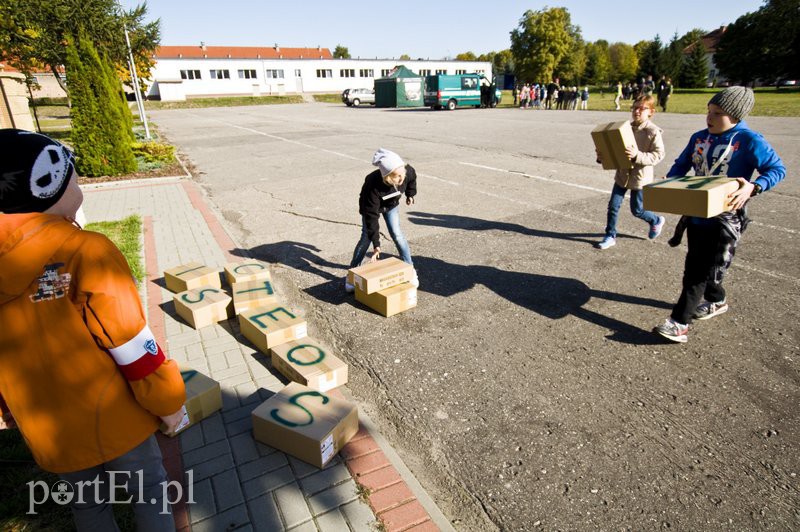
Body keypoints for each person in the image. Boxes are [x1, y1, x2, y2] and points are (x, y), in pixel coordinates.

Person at [0, 129, 186, 530]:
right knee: (150, 493)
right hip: (115, 417)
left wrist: (7, 408)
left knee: (87, 505)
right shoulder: (87, 251)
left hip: (49, 426)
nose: (78, 180)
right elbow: (130, 342)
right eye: (72, 174)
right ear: (45, 188)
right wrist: (168, 402)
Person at [654, 87, 786, 343]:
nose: (710, 117)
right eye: (709, 111)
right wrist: (671, 182)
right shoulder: (699, 137)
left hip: (725, 219)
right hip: (696, 214)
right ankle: (717, 299)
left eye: (718, 113)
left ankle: (679, 323)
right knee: (702, 267)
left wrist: (753, 186)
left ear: (735, 116)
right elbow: (682, 165)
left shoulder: (749, 140)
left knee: (697, 272)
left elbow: (777, 168)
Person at [595, 95, 666, 250]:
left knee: (638, 210)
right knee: (613, 206)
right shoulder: (625, 128)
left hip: (640, 178)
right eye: (634, 108)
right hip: (622, 175)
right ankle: (610, 235)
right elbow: (615, 150)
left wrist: (637, 156)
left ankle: (655, 221)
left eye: (642, 108)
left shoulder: (653, 132)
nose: (637, 111)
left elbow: (658, 155)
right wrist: (603, 156)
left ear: (651, 112)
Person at [345, 148, 418, 292]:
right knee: (366, 237)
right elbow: (371, 217)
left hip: (391, 206)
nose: (401, 178)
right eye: (396, 176)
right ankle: (352, 275)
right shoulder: (372, 185)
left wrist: (410, 194)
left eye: (402, 173)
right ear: (387, 177)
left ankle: (410, 268)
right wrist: (376, 244)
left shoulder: (406, 172)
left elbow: (412, 178)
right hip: (371, 209)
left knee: (397, 234)